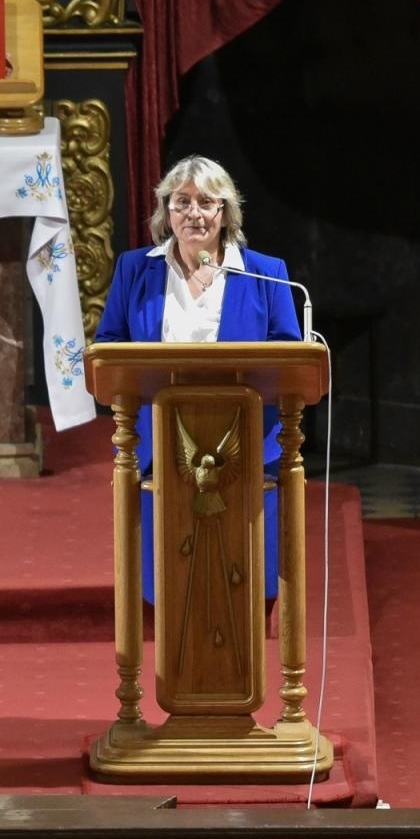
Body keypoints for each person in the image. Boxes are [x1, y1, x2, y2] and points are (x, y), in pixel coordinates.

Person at [93, 155, 300, 612]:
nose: (194, 214)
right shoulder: (136, 270)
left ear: (225, 213)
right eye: (181, 202)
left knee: (241, 586)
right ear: (166, 213)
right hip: (160, 452)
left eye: (206, 202)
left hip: (246, 452)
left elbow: (288, 359)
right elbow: (108, 347)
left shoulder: (263, 273)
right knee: (172, 589)